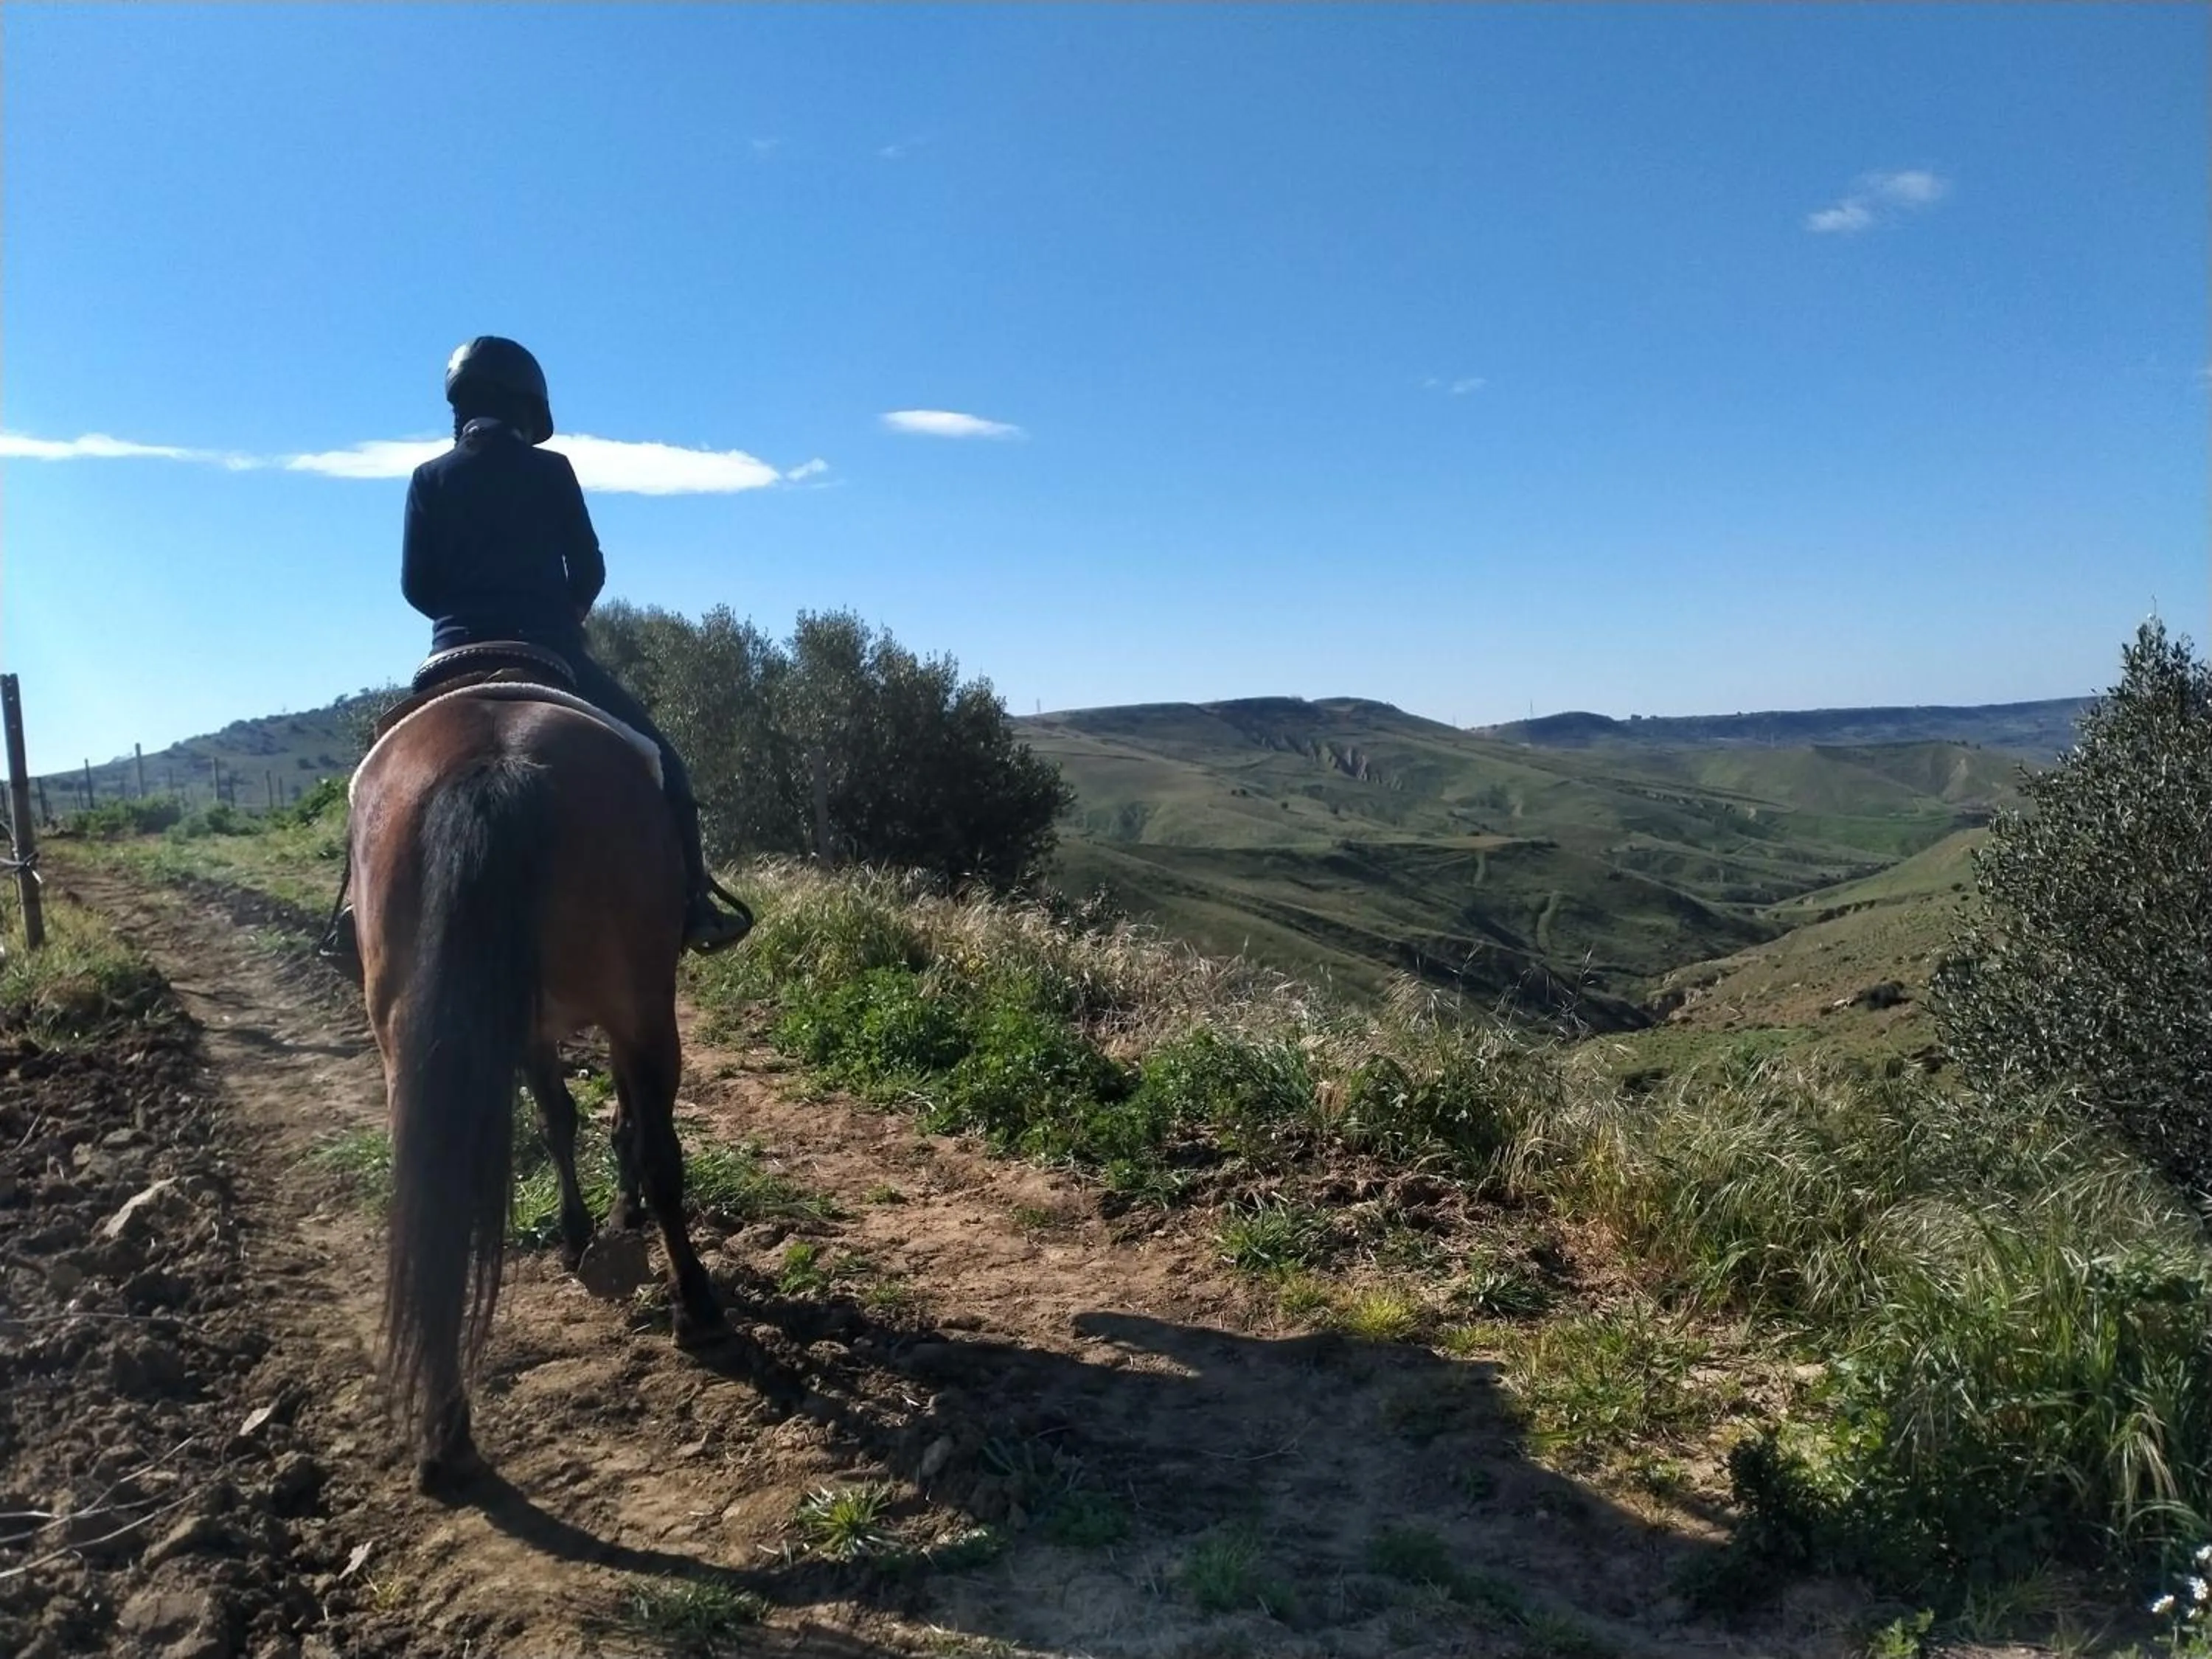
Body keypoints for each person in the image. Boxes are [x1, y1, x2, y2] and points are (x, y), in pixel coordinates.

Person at [320, 336, 750, 971]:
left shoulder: (429, 478)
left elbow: (416, 585)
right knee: (662, 760)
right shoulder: (552, 471)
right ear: (528, 407)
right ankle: (695, 901)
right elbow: (592, 567)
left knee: (371, 784)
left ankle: (355, 913)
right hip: (551, 651)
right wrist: (566, 613)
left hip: (451, 659)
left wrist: (458, 621)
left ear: (460, 406)